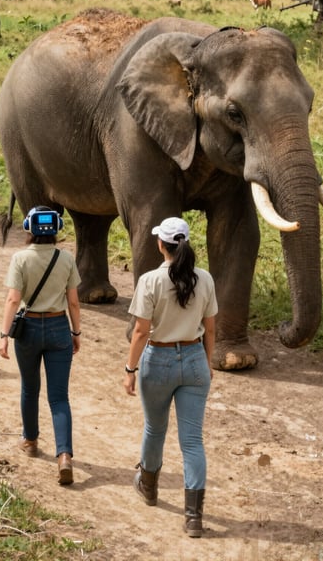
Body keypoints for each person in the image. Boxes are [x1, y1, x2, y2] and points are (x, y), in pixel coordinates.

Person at [122, 217, 217, 538]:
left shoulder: (150, 281)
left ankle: (148, 488)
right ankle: (194, 517)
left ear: (161, 244)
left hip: (158, 360)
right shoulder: (204, 279)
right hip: (194, 359)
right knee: (192, 442)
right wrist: (206, 362)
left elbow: (140, 331)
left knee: (155, 428)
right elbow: (212, 327)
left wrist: (130, 369)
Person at [0, 206, 81, 486]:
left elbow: (13, 300)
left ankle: (31, 441)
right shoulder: (66, 258)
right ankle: (65, 456)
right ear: (56, 228)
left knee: (29, 388)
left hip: (28, 329)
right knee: (59, 397)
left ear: (27, 227)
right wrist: (76, 331)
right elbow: (73, 301)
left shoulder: (20, 258)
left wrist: (3, 334)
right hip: (59, 327)